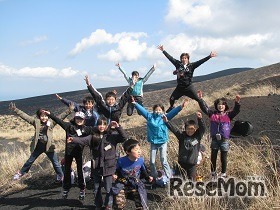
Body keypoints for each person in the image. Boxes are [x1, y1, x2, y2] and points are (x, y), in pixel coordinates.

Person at [67, 116, 128, 209]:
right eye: (100, 124)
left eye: (104, 124)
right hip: (97, 166)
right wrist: (73, 139)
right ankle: (98, 205)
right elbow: (83, 140)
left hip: (109, 166)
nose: (102, 126)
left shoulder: (112, 136)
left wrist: (118, 127)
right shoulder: (93, 136)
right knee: (96, 189)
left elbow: (124, 137)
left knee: (108, 189)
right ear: (97, 125)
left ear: (107, 126)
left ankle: (108, 205)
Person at [9, 102, 72, 182]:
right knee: (30, 160)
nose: (44, 118)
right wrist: (16, 110)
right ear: (39, 116)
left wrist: (69, 110)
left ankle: (60, 176)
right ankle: (21, 173)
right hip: (38, 146)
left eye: (45, 116)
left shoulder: (51, 123)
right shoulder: (36, 122)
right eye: (42, 116)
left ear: (48, 116)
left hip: (49, 147)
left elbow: (60, 117)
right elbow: (25, 116)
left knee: (55, 163)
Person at [132, 97, 188, 180]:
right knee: (152, 161)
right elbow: (143, 110)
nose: (158, 111)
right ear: (153, 110)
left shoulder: (165, 117)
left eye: (159, 110)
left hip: (162, 142)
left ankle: (169, 177)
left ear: (162, 111)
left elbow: (173, 112)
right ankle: (154, 177)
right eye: (156, 110)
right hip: (153, 143)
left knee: (163, 160)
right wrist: (135, 104)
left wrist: (181, 106)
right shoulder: (149, 117)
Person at [44, 110, 93, 200]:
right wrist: (50, 114)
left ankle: (82, 188)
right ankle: (66, 189)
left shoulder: (86, 129)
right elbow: (59, 121)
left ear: (84, 120)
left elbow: (96, 130)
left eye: (81, 119)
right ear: (75, 118)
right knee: (66, 171)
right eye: (77, 118)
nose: (79, 120)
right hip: (69, 152)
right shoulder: (69, 126)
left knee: (80, 171)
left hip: (79, 152)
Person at [157, 44, 217, 113]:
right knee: (171, 99)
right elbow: (170, 58)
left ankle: (208, 112)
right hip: (179, 88)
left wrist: (209, 56)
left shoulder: (192, 66)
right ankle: (171, 107)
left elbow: (200, 61)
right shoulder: (178, 64)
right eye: (182, 58)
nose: (184, 59)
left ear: (188, 59)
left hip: (189, 88)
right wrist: (163, 50)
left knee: (199, 100)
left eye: (185, 58)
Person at [198, 91, 241, 180]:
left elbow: (236, 110)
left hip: (224, 140)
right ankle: (213, 173)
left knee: (223, 157)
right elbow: (205, 108)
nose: (220, 106)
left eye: (222, 104)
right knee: (213, 156)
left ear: (225, 106)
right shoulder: (212, 114)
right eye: (218, 104)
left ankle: (223, 173)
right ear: (216, 106)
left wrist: (237, 103)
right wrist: (201, 99)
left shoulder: (228, 115)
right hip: (214, 140)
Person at [111, 139, 153, 210]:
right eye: (136, 150)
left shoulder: (141, 160)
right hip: (123, 183)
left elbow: (144, 170)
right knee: (118, 205)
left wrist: (148, 177)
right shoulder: (121, 161)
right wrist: (114, 174)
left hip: (135, 183)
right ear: (128, 152)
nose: (139, 151)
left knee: (142, 203)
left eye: (139, 149)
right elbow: (116, 169)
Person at [163, 112, 206, 180]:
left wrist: (200, 119)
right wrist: (166, 122)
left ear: (195, 129)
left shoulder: (197, 137)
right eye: (188, 129)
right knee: (177, 180)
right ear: (185, 129)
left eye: (192, 129)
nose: (190, 130)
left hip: (192, 164)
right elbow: (174, 129)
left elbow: (202, 128)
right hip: (181, 163)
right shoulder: (182, 136)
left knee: (191, 181)